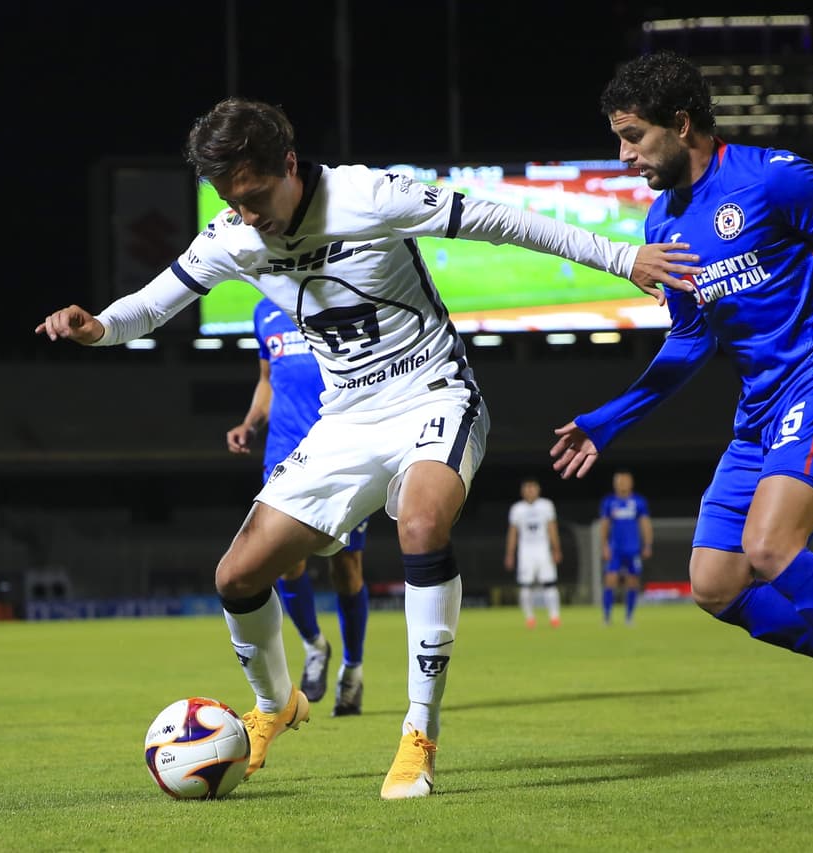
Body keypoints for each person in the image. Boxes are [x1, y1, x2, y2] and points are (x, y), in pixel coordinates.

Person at [36, 96, 700, 799]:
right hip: (345, 421)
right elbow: (153, 304)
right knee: (236, 576)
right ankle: (275, 703)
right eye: (233, 200)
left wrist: (621, 255)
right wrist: (97, 326)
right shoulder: (232, 234)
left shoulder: (368, 194)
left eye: (257, 195)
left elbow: (500, 220)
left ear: (289, 165)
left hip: (434, 394)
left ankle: (420, 733)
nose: (249, 214)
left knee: (419, 524)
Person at [548, 52, 813, 778]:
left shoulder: (772, 176)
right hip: (759, 413)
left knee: (770, 547)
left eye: (633, 136)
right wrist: (610, 418)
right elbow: (692, 338)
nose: (623, 155)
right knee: (715, 583)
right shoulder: (664, 218)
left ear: (681, 122)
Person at [226, 296, 369, 716]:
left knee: (346, 569)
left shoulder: (335, 293)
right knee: (286, 563)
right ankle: (314, 646)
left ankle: (353, 671)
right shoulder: (262, 311)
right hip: (284, 453)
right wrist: (250, 422)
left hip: (343, 451)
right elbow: (268, 380)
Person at [504, 477, 562, 628]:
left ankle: (554, 617)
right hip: (525, 552)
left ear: (538, 489)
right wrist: (510, 554)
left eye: (532, 487)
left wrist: (556, 549)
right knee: (525, 585)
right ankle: (530, 618)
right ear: (522, 491)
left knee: (549, 583)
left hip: (543, 550)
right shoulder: (517, 509)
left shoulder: (546, 505)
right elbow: (513, 533)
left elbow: (552, 528)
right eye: (527, 488)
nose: (530, 490)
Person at [599, 469, 652, 625]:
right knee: (610, 580)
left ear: (631, 483)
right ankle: (607, 617)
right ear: (615, 483)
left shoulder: (638, 502)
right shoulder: (609, 502)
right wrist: (604, 546)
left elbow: (645, 524)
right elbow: (604, 525)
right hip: (615, 549)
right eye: (619, 481)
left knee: (633, 581)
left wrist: (648, 544)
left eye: (625, 480)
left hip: (633, 548)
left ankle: (629, 617)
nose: (622, 483)